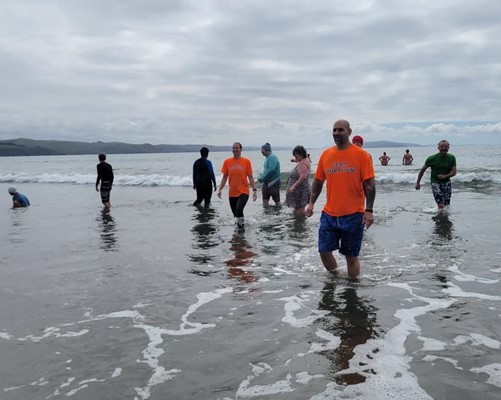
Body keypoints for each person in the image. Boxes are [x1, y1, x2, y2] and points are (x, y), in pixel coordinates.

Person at [305, 119, 376, 278]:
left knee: (351, 257)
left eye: (341, 130)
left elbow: (370, 185)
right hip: (329, 214)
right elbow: (318, 181)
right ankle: (336, 276)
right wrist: (311, 203)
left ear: (349, 132)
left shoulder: (362, 155)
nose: (336, 133)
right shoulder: (326, 154)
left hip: (354, 214)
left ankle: (352, 289)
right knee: (323, 251)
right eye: (334, 130)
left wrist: (369, 210)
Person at [217, 142, 258, 227]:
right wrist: (220, 189)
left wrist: (254, 189)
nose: (235, 150)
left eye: (237, 148)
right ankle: (239, 233)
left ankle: (242, 230)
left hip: (243, 191)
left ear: (241, 150)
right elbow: (225, 177)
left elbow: (250, 177)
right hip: (232, 192)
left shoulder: (246, 161)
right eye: (234, 148)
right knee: (235, 215)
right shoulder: (227, 162)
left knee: (239, 209)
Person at [415, 140, 457, 209]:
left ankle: (442, 218)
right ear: (438, 148)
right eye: (442, 147)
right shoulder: (432, 158)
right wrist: (418, 182)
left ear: (448, 148)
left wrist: (444, 176)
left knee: (446, 205)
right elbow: (422, 170)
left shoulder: (452, 158)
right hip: (435, 183)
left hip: (447, 183)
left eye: (446, 147)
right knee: (441, 205)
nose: (444, 148)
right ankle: (440, 218)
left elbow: (454, 172)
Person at [284, 145, 311, 214]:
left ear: (301, 155)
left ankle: (301, 223)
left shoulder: (303, 164)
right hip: (301, 189)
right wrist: (295, 160)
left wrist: (293, 187)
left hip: (301, 190)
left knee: (301, 209)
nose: (295, 158)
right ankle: (299, 222)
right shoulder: (305, 159)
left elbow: (303, 177)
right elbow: (301, 160)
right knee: (298, 208)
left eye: (296, 156)